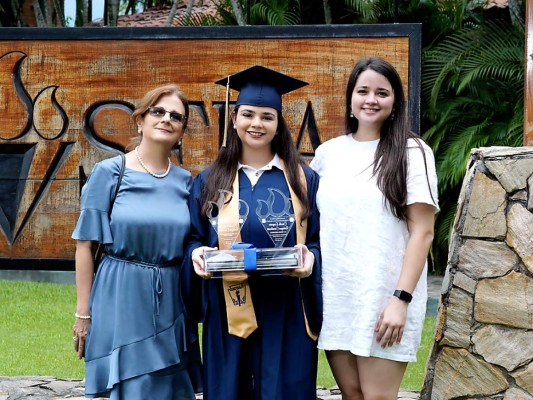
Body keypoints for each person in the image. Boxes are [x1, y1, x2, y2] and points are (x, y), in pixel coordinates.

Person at [181, 65, 322, 400]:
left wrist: (311, 259)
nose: (257, 124)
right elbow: (193, 238)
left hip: (286, 307)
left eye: (267, 117)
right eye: (248, 114)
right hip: (229, 307)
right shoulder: (210, 180)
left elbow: (318, 240)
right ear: (234, 119)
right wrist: (197, 254)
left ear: (278, 123)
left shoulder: (303, 179)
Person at [310, 57, 439, 400]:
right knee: (352, 395)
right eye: (363, 91)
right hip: (338, 299)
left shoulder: (412, 152)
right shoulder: (327, 154)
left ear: (395, 102)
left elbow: (423, 232)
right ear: (350, 98)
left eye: (382, 93)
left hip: (384, 298)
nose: (371, 99)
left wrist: (400, 300)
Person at [71, 84, 202, 399]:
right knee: (130, 386)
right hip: (119, 296)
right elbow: (85, 246)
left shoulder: (186, 182)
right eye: (158, 111)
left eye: (176, 116)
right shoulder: (109, 174)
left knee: (168, 388)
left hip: (171, 300)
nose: (166, 119)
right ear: (140, 120)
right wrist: (83, 313)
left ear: (181, 131)